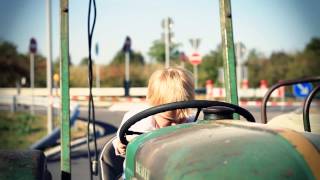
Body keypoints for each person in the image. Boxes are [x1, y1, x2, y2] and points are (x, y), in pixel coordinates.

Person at [113, 67, 195, 157]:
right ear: (152, 105)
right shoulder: (138, 122)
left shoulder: (191, 122)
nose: (175, 126)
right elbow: (120, 141)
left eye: (181, 120)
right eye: (168, 120)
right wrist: (121, 145)